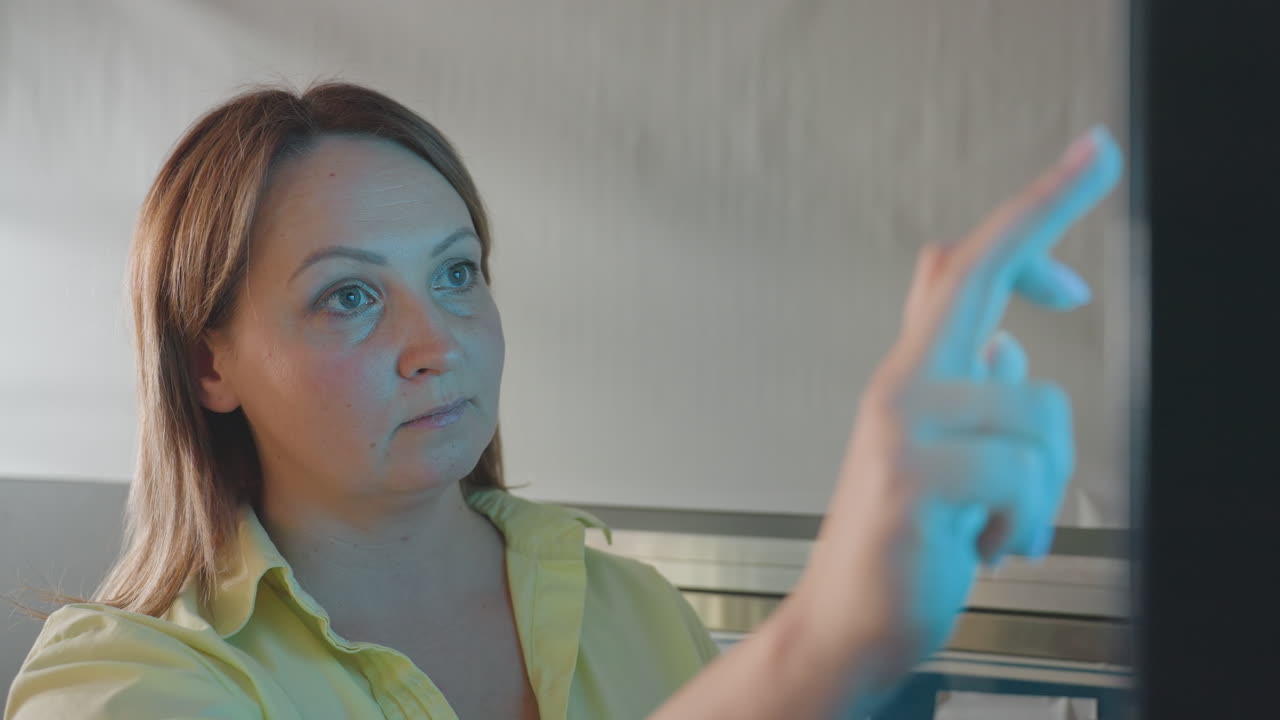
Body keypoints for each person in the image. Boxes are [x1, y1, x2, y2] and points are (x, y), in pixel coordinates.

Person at [3, 79, 1120, 720]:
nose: (437, 343)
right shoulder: (124, 683)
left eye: (456, 274)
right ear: (209, 368)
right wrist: (821, 646)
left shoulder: (636, 610)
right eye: (349, 296)